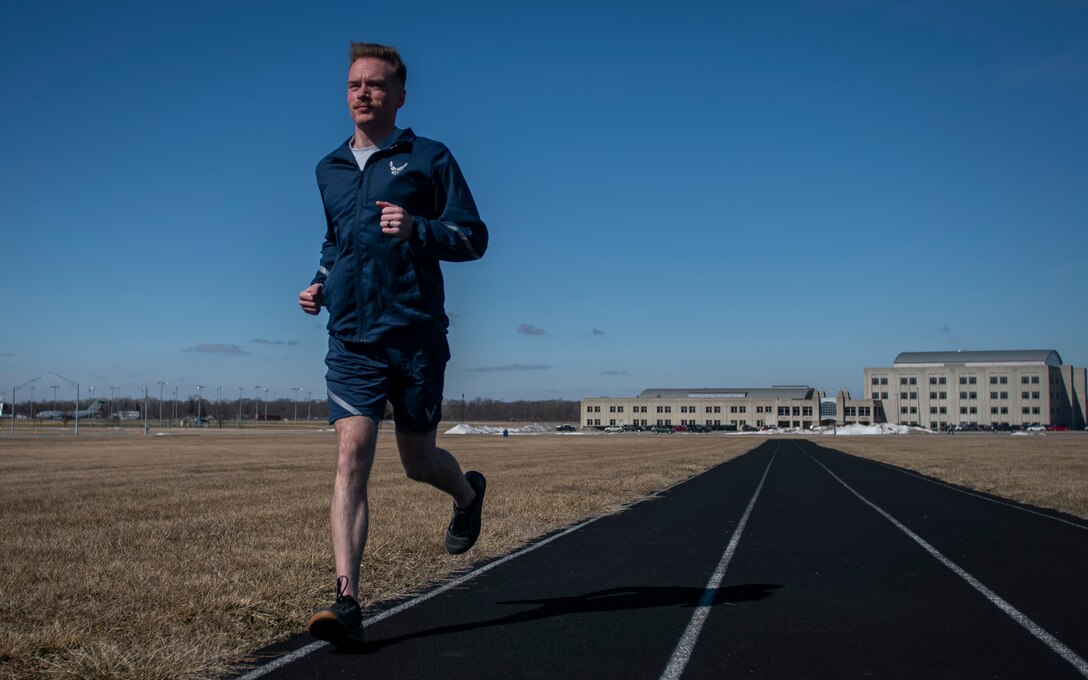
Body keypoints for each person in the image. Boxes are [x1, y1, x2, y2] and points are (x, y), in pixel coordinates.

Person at [298, 41, 488, 649]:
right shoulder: (328, 168)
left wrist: (418, 228)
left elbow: (473, 237)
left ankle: (466, 493)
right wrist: (321, 284)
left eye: (376, 85)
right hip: (350, 335)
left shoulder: (429, 157)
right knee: (352, 459)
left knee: (418, 463)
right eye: (355, 84)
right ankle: (347, 599)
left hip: (415, 336)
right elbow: (337, 243)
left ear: (400, 95)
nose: (363, 93)